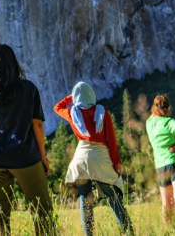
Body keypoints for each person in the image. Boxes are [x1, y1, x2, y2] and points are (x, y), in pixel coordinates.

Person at [0, 44, 56, 236]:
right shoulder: (28, 89)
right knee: (42, 208)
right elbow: (37, 124)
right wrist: (42, 156)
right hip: (24, 157)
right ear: (13, 64)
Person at [54, 82, 134, 235]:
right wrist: (116, 163)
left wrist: (72, 96)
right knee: (113, 197)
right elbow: (111, 141)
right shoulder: (103, 113)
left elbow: (57, 108)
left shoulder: (72, 112)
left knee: (85, 200)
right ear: (92, 95)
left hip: (81, 158)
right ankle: (128, 233)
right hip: (100, 157)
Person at [145, 94, 175, 224]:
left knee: (166, 203)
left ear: (154, 108)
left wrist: (155, 110)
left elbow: (152, 116)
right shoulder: (168, 122)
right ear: (169, 108)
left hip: (161, 166)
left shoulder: (149, 123)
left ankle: (168, 232)